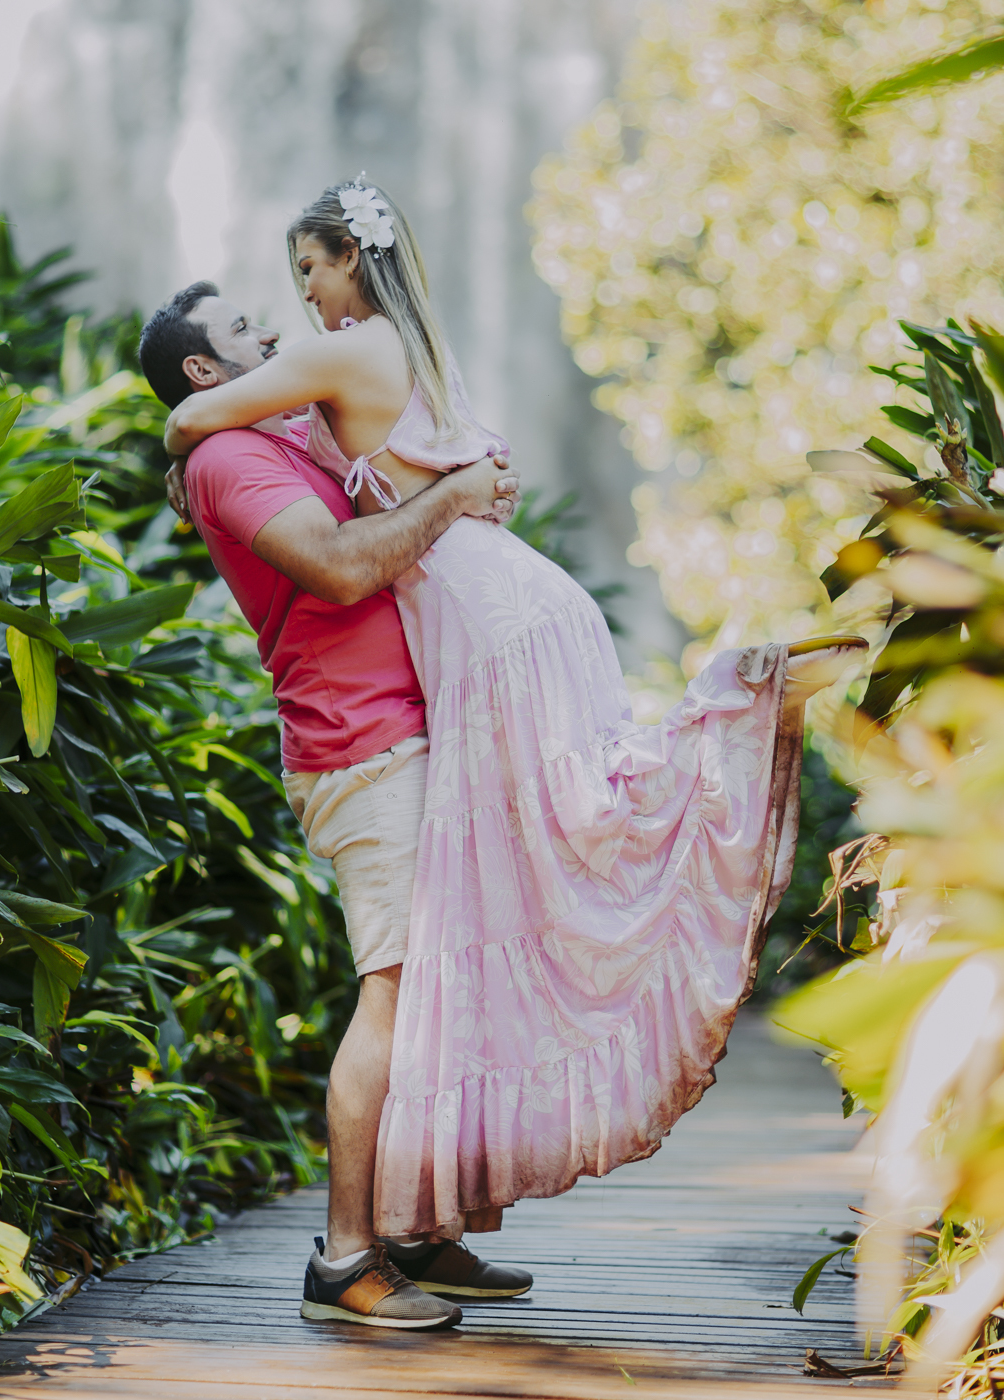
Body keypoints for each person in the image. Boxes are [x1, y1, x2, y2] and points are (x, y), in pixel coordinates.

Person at [159, 179, 867, 1249]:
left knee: (569, 826)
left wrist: (180, 440)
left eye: (307, 268)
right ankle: (745, 694)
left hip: (483, 619)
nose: (288, 304)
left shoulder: (340, 355)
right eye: (268, 300)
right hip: (508, 606)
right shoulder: (373, 359)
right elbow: (317, 473)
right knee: (571, 823)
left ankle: (741, 695)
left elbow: (189, 414)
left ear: (352, 256)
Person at [138, 285, 533, 1331]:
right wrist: (448, 500)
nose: (272, 332)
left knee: (437, 987)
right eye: (241, 333)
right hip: (359, 752)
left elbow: (398, 529)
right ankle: (343, 1262)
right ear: (202, 374)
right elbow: (348, 567)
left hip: (409, 729)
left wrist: (466, 492)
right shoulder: (227, 459)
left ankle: (414, 1233)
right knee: (394, 990)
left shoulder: (288, 435)